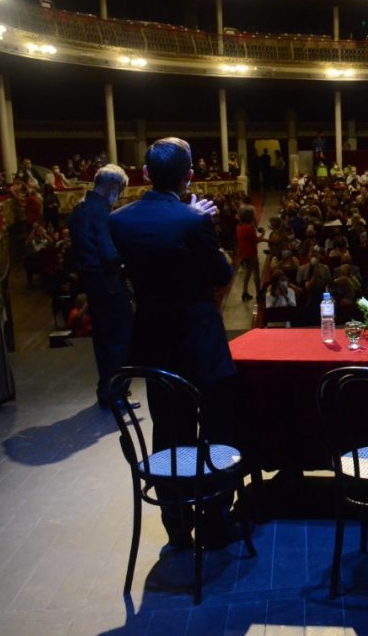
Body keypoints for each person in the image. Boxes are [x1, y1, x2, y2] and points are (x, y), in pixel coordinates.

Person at [109, 137, 244, 550]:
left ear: (145, 174)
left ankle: (176, 524)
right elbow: (221, 274)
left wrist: (188, 217)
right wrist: (195, 220)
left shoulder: (119, 220)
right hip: (200, 344)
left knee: (168, 431)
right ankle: (217, 521)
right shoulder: (193, 221)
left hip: (155, 343)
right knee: (218, 430)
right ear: (189, 176)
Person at [66, 164, 134, 411]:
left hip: (91, 281)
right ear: (113, 186)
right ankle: (118, 393)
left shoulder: (79, 208)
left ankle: (106, 392)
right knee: (120, 337)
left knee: (103, 339)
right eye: (121, 190)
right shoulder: (102, 212)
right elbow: (108, 254)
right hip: (109, 281)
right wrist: (129, 255)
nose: (120, 196)